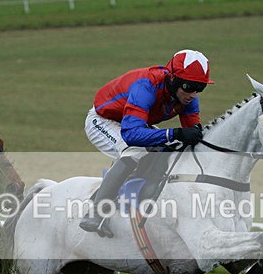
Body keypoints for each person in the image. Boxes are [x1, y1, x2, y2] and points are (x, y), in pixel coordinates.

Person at [81, 49, 213, 237]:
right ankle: (97, 211)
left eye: (200, 88)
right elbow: (131, 135)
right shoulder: (147, 86)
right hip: (103, 120)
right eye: (189, 86)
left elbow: (193, 135)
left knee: (171, 147)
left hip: (134, 122)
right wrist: (174, 133)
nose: (193, 94)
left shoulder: (187, 98)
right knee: (134, 151)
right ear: (173, 79)